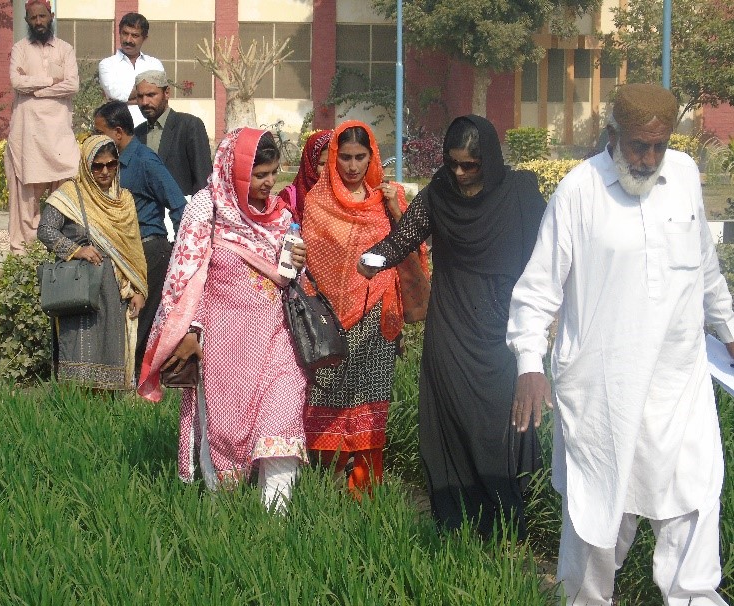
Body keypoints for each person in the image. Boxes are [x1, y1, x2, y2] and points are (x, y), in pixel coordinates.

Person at [507, 83, 734, 605]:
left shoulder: (683, 178)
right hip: (604, 389)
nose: (649, 158)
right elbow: (538, 289)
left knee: (695, 499)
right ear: (612, 136)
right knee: (598, 520)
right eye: (638, 146)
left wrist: (727, 328)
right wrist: (528, 361)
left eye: (659, 145)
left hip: (679, 383)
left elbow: (704, 269)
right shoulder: (580, 191)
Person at [360, 115, 545, 537]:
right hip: (452, 324)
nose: (459, 173)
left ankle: (506, 525)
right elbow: (403, 238)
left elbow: (553, 256)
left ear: (490, 160)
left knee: (499, 421)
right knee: (453, 419)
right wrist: (371, 260)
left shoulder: (521, 195)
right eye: (453, 163)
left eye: (470, 165)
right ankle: (455, 520)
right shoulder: (438, 194)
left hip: (504, 329)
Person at [138, 128, 309, 513]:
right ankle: (222, 511)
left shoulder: (281, 215)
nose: (268, 184)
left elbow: (287, 277)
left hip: (277, 339)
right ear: (236, 172)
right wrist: (189, 331)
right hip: (223, 342)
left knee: (281, 414)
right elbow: (185, 276)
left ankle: (275, 522)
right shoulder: (207, 208)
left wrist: (297, 264)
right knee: (222, 428)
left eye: (273, 173)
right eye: (259, 175)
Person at [301, 120, 426, 497]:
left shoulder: (386, 200)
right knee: (327, 396)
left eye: (360, 157)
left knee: (370, 398)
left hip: (376, 318)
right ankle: (325, 488)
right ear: (334, 158)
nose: (352, 166)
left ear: (372, 156)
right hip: (330, 321)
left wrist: (394, 209)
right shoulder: (317, 203)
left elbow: (410, 244)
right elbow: (314, 263)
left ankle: (365, 491)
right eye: (345, 158)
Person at [37, 135, 147, 390]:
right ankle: (75, 408)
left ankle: (109, 408)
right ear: (87, 166)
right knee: (79, 343)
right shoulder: (69, 195)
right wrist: (76, 250)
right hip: (79, 284)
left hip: (114, 288)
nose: (105, 171)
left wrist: (139, 289)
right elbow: (45, 230)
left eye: (111, 164)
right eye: (97, 166)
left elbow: (133, 249)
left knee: (112, 344)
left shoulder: (124, 199)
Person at [92, 100, 186, 381]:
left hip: (148, 250)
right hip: (120, 252)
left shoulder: (145, 161)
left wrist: (179, 253)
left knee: (140, 322)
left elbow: (178, 205)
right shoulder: (109, 164)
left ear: (118, 132)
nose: (96, 138)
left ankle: (138, 385)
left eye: (101, 131)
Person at [5, 0, 79, 255]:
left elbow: (72, 85)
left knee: (63, 196)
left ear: (51, 16)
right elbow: (17, 82)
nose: (38, 22)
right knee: (26, 199)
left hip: (58, 135)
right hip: (28, 134)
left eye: (42, 16)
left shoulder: (65, 49)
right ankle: (22, 253)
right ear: (27, 20)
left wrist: (34, 88)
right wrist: (50, 81)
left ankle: (60, 249)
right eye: (33, 18)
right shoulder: (20, 48)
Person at [134, 70, 212, 196]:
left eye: (151, 95)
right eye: (140, 96)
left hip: (183, 212)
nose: (144, 102)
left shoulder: (189, 126)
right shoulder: (137, 134)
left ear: (166, 93)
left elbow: (203, 179)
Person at [98, 13, 164, 128]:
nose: (128, 40)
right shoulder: (107, 64)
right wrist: (146, 95)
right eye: (125, 33)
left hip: (151, 127)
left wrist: (124, 101)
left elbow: (160, 98)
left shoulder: (155, 64)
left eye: (134, 35)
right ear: (119, 33)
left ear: (144, 38)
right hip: (119, 130)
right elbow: (114, 96)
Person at [277, 129, 332, 224]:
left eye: (333, 163)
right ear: (310, 164)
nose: (328, 170)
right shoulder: (290, 197)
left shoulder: (347, 194)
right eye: (322, 164)